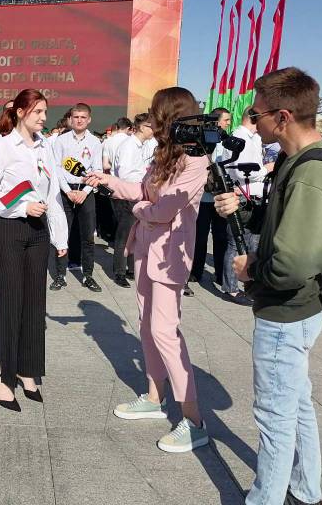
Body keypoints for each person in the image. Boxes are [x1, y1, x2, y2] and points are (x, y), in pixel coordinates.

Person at [214, 68, 322, 505]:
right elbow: (283, 226)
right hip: (298, 310)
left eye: (257, 114)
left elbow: (293, 263)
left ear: (283, 117)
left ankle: (266, 498)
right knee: (298, 405)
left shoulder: (312, 172)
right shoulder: (299, 162)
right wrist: (244, 210)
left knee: (275, 416)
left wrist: (251, 270)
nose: (253, 122)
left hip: (287, 312)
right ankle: (306, 490)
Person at [86, 87, 209, 453]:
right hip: (145, 248)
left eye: (156, 113)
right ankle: (155, 398)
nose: (151, 119)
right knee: (146, 326)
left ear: (171, 116)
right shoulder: (164, 154)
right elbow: (143, 190)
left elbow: (161, 210)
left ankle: (194, 421)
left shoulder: (196, 160)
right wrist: (108, 181)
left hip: (170, 256)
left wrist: (140, 210)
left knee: (164, 332)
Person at [0, 88, 68, 411]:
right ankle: (2, 377)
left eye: (45, 112)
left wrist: (60, 237)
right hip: (10, 228)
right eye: (38, 112)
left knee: (35, 302)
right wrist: (22, 208)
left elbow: (53, 192)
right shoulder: (2, 145)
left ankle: (27, 369)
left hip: (39, 230)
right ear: (20, 112)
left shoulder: (45, 146)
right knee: (10, 301)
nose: (44, 118)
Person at [50, 103, 102, 292]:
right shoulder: (61, 140)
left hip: (85, 192)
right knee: (62, 234)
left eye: (83, 117)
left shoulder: (95, 142)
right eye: (76, 117)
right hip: (65, 192)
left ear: (89, 119)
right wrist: (68, 191)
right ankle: (60, 275)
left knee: (87, 236)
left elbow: (97, 169)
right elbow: (56, 167)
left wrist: (84, 191)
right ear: (70, 119)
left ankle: (88, 275)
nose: (79, 120)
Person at [223, 107, 267, 301]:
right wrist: (266, 169)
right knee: (236, 243)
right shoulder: (239, 137)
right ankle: (231, 288)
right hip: (242, 196)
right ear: (255, 119)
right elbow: (239, 171)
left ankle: (247, 284)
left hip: (254, 196)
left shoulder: (253, 138)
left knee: (252, 244)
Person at [110, 112, 155, 288]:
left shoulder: (142, 145)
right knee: (124, 235)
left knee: (134, 234)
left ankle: (130, 268)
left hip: (136, 193)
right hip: (126, 195)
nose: (154, 130)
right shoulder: (129, 146)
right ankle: (119, 272)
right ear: (142, 127)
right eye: (151, 126)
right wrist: (145, 175)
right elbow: (125, 173)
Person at [190, 107, 231, 288]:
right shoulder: (202, 140)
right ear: (216, 121)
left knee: (221, 237)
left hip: (220, 197)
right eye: (226, 120)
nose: (228, 123)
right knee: (200, 236)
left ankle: (221, 274)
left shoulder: (227, 141)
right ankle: (195, 272)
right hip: (204, 198)